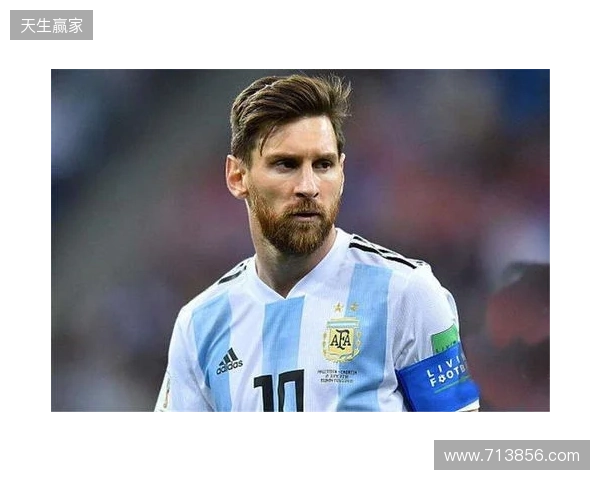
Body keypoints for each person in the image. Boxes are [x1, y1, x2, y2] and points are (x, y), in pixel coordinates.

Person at [154, 73, 480, 413]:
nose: (308, 186)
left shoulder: (407, 294)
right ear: (238, 177)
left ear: (342, 172)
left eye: (323, 165)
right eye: (286, 164)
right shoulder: (199, 325)